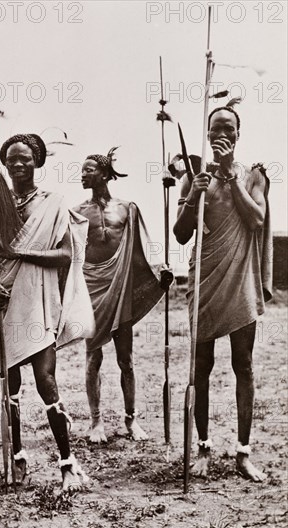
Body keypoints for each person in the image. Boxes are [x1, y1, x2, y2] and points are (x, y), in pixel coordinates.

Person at [0, 134, 94, 491]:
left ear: (37, 161)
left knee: (46, 381)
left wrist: (22, 253)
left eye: (25, 158)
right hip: (4, 302)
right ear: (4, 164)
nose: (18, 165)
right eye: (11, 159)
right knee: (9, 386)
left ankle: (68, 463)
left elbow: (65, 256)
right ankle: (17, 459)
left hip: (39, 301)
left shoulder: (52, 204)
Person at [173, 107, 272, 481]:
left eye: (228, 128)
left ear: (238, 134)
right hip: (205, 281)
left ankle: (243, 454)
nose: (221, 134)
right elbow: (181, 233)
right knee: (201, 367)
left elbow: (257, 220)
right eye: (215, 128)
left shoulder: (254, 175)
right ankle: (203, 447)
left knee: (243, 365)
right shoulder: (194, 177)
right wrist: (193, 196)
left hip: (240, 281)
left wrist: (230, 178)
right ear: (207, 132)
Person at [73, 148, 172, 443]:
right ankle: (96, 422)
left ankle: (131, 421)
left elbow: (142, 248)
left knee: (126, 359)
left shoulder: (127, 208)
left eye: (88, 169)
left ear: (103, 174)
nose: (82, 174)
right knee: (93, 357)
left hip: (121, 287)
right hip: (91, 287)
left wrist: (160, 269)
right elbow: (73, 255)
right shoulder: (77, 213)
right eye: (82, 170)